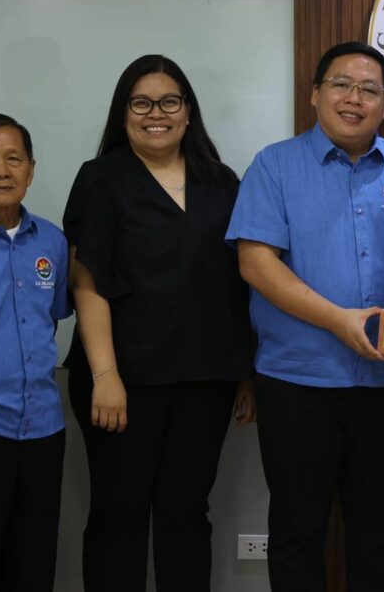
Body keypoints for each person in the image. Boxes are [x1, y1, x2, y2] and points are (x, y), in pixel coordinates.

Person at [226, 41, 384, 592]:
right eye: (341, 84)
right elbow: (255, 264)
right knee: (296, 531)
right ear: (315, 93)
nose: (354, 98)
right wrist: (339, 320)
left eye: (369, 89)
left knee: (379, 532)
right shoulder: (274, 165)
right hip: (297, 382)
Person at [63, 55, 255, 592]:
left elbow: (237, 282)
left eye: (169, 102)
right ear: (123, 113)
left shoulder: (221, 181)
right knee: (118, 515)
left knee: (186, 514)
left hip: (205, 379)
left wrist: (244, 372)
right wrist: (105, 376)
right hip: (122, 380)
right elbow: (87, 282)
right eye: (142, 103)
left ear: (188, 111)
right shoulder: (102, 178)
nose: (156, 114)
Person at [0, 113, 70, 592]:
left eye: (13, 159)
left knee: (33, 567)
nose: (1, 171)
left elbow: (52, 318)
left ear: (31, 169)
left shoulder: (51, 241)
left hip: (43, 431)